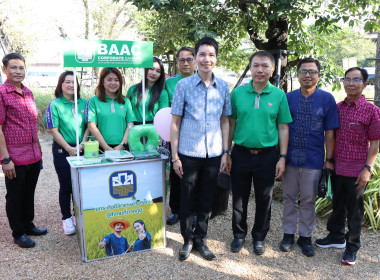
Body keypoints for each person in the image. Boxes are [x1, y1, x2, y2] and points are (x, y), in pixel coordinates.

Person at [171, 37, 231, 261]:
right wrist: (175, 157)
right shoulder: (183, 85)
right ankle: (187, 240)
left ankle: (201, 240)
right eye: (203, 54)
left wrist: (226, 152)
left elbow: (225, 121)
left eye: (211, 55)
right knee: (187, 198)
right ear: (196, 58)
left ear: (216, 58)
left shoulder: (223, 86)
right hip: (188, 153)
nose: (207, 59)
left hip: (214, 154)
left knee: (207, 199)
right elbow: (175, 122)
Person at [228, 51, 292, 255]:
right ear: (250, 68)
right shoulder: (238, 93)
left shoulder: (279, 95)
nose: (260, 70)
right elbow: (231, 122)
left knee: (265, 199)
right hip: (240, 153)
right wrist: (226, 151)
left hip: (267, 156)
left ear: (272, 69)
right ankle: (239, 235)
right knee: (239, 198)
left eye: (265, 66)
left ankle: (259, 237)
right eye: (256, 65)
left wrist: (282, 157)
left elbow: (283, 127)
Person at [316, 67, 380, 265]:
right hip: (337, 167)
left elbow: (375, 143)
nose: (351, 83)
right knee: (338, 205)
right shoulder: (338, 107)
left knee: (355, 210)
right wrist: (329, 162)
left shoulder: (372, 111)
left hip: (358, 170)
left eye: (356, 79)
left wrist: (367, 169)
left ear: (364, 84)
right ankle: (335, 237)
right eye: (347, 79)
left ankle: (352, 246)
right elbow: (331, 136)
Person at [279, 58, 339, 256]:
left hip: (313, 159)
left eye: (312, 71)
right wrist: (281, 156)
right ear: (297, 74)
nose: (307, 75)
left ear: (319, 75)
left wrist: (328, 160)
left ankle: (305, 237)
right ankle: (288, 234)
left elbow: (330, 132)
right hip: (289, 159)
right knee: (288, 197)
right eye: (303, 71)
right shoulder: (288, 98)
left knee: (308, 200)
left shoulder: (327, 99)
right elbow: (282, 127)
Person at [0, 53, 47, 248]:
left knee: (29, 192)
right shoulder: (2, 93)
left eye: (21, 68)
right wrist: (5, 159)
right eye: (13, 67)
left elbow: (32, 123)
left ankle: (28, 224)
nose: (18, 71)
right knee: (15, 196)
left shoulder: (28, 92)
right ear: (4, 69)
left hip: (33, 155)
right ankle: (18, 232)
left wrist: (39, 153)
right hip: (14, 157)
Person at [45, 71, 90, 235]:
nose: (71, 85)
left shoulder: (84, 102)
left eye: (74, 82)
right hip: (62, 149)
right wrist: (69, 149)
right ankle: (66, 218)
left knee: (81, 185)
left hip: (83, 147)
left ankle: (78, 215)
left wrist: (82, 143)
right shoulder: (55, 104)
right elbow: (53, 130)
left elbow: (88, 126)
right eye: (67, 82)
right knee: (66, 186)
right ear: (61, 84)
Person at [165, 46, 196, 225]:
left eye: (189, 59)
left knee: (196, 174)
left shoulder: (202, 79)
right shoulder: (170, 83)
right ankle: (175, 209)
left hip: (196, 135)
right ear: (177, 63)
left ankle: (194, 209)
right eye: (182, 60)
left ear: (195, 61)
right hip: (175, 132)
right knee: (176, 172)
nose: (185, 63)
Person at [86, 68, 136, 151]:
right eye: (109, 79)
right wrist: (106, 147)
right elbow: (91, 126)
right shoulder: (93, 101)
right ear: (102, 82)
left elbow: (130, 124)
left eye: (116, 80)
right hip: (100, 148)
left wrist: (122, 144)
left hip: (122, 148)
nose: (113, 83)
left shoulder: (126, 101)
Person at [127, 57, 169, 125]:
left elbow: (163, 117)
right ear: (145, 69)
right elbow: (127, 112)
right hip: (134, 130)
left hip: (153, 130)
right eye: (151, 69)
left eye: (158, 71)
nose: (154, 73)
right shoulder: (132, 89)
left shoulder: (162, 93)